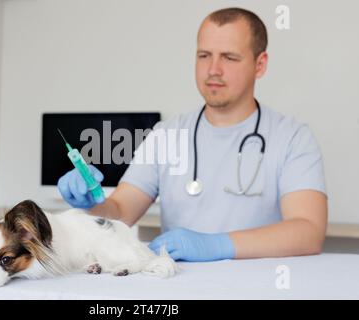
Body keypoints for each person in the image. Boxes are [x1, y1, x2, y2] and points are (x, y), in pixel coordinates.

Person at [57, 7, 327, 262]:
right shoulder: (165, 136)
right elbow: (121, 213)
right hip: (183, 291)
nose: (213, 70)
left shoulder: (292, 138)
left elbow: (308, 232)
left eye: (229, 57)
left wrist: (217, 245)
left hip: (258, 289)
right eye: (204, 55)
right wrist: (91, 204)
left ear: (260, 65)